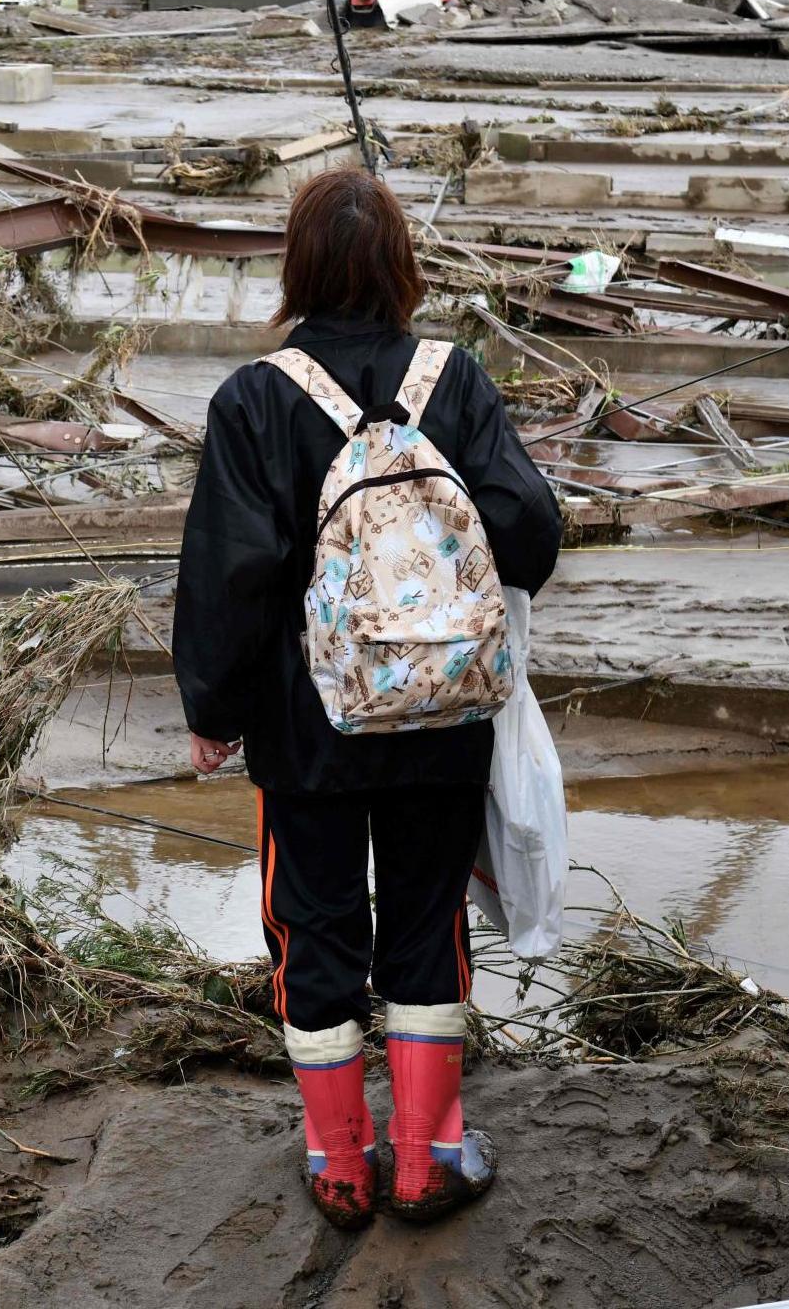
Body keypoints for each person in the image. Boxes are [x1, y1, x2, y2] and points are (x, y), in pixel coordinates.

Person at [174, 166, 561, 1228]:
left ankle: (337, 1160)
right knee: (428, 918)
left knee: (312, 923)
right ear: (401, 267)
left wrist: (212, 711)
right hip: (444, 711)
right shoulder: (458, 380)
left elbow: (229, 573)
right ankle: (427, 1153)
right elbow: (529, 531)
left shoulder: (254, 399)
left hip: (309, 728)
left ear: (296, 268)